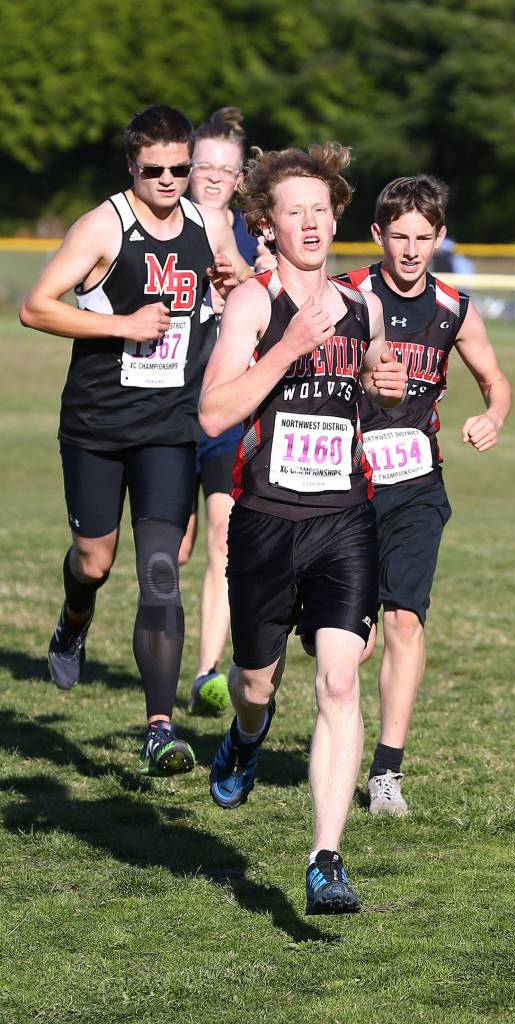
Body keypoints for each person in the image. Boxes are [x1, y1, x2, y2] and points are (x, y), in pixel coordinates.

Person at [198, 142, 407, 915]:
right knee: (256, 685)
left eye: (322, 208)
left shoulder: (363, 306)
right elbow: (214, 413)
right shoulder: (255, 305)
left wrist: (385, 391)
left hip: (344, 520)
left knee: (342, 678)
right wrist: (288, 346)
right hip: (264, 522)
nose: (313, 222)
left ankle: (325, 860)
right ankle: (247, 737)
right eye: (296, 211)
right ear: (268, 222)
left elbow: (380, 390)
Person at [19, 105, 249, 778]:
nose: (172, 181)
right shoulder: (104, 225)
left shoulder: (209, 223)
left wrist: (234, 283)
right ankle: (74, 617)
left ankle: (159, 728)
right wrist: (123, 325)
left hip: (169, 427)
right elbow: (37, 306)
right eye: (157, 170)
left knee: (159, 571)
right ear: (132, 166)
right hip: (96, 427)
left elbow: (238, 286)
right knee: (95, 562)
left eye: (182, 168)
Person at [335, 175, 511, 815]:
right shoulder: (345, 295)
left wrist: (492, 417)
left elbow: (496, 381)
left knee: (403, 619)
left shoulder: (454, 308)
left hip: (415, 484)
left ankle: (386, 771)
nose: (411, 250)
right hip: (345, 483)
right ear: (379, 235)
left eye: (424, 238)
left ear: (439, 238)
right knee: (348, 639)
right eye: (399, 237)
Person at [178, 107, 275, 717]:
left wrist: (242, 276)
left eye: (225, 169)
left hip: (222, 405)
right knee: (172, 550)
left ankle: (207, 672)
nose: (212, 176)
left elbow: (278, 297)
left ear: (241, 178)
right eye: (203, 165)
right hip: (160, 404)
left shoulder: (254, 234)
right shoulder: (159, 221)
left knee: (222, 537)